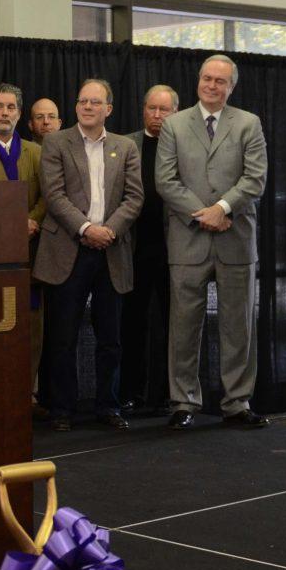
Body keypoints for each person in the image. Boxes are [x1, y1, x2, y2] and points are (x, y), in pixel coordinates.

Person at [156, 54, 268, 430]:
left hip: (236, 239)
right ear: (198, 81)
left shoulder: (248, 124)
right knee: (184, 325)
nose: (212, 85)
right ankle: (183, 403)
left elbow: (255, 179)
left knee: (238, 326)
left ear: (231, 86)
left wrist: (223, 208)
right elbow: (165, 181)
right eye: (207, 78)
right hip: (188, 238)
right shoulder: (173, 124)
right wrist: (204, 213)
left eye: (221, 81)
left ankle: (236, 402)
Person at [33, 79, 142, 432]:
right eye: (82, 101)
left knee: (110, 338)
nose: (88, 107)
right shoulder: (55, 142)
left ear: (108, 108)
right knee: (62, 337)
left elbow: (134, 198)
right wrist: (86, 229)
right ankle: (62, 409)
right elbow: (54, 194)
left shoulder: (126, 147)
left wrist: (108, 230)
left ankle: (108, 406)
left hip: (111, 250)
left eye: (95, 102)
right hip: (68, 247)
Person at [0, 83, 46, 405]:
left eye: (11, 107)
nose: (4, 113)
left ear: (19, 113)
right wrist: (10, 226)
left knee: (32, 327)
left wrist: (32, 219)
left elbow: (49, 196)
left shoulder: (36, 152)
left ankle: (28, 391)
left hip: (31, 253)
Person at [121, 84, 178, 415]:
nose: (156, 116)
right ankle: (132, 392)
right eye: (151, 109)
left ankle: (173, 394)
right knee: (132, 324)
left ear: (175, 112)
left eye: (164, 110)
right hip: (134, 249)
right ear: (143, 109)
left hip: (176, 250)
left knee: (176, 327)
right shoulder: (125, 144)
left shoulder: (185, 145)